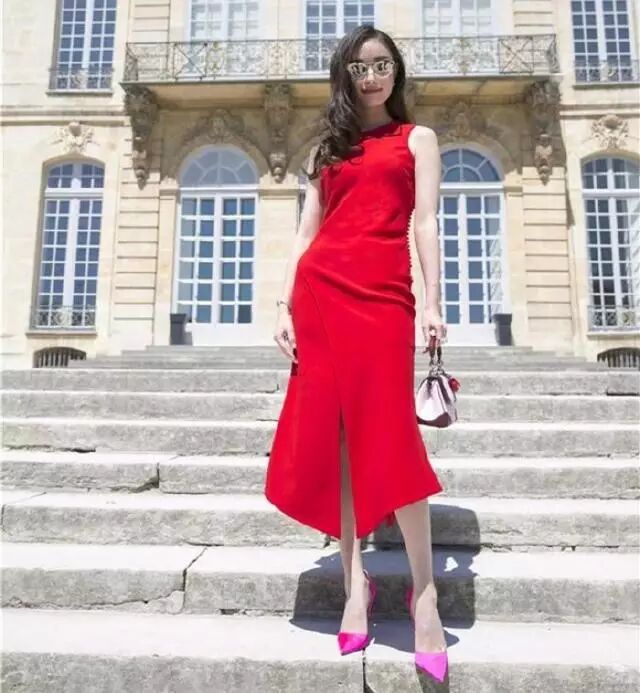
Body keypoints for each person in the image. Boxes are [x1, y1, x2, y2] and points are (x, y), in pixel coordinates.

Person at [264, 24, 448, 683]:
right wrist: (283, 304)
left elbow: (424, 221)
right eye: (360, 68)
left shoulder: (417, 139)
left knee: (392, 435)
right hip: (322, 295)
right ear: (345, 76)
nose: (372, 77)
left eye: (381, 65)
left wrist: (432, 302)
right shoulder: (328, 147)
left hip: (385, 296)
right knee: (338, 439)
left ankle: (425, 594)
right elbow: (305, 233)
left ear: (396, 71)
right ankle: (353, 584)